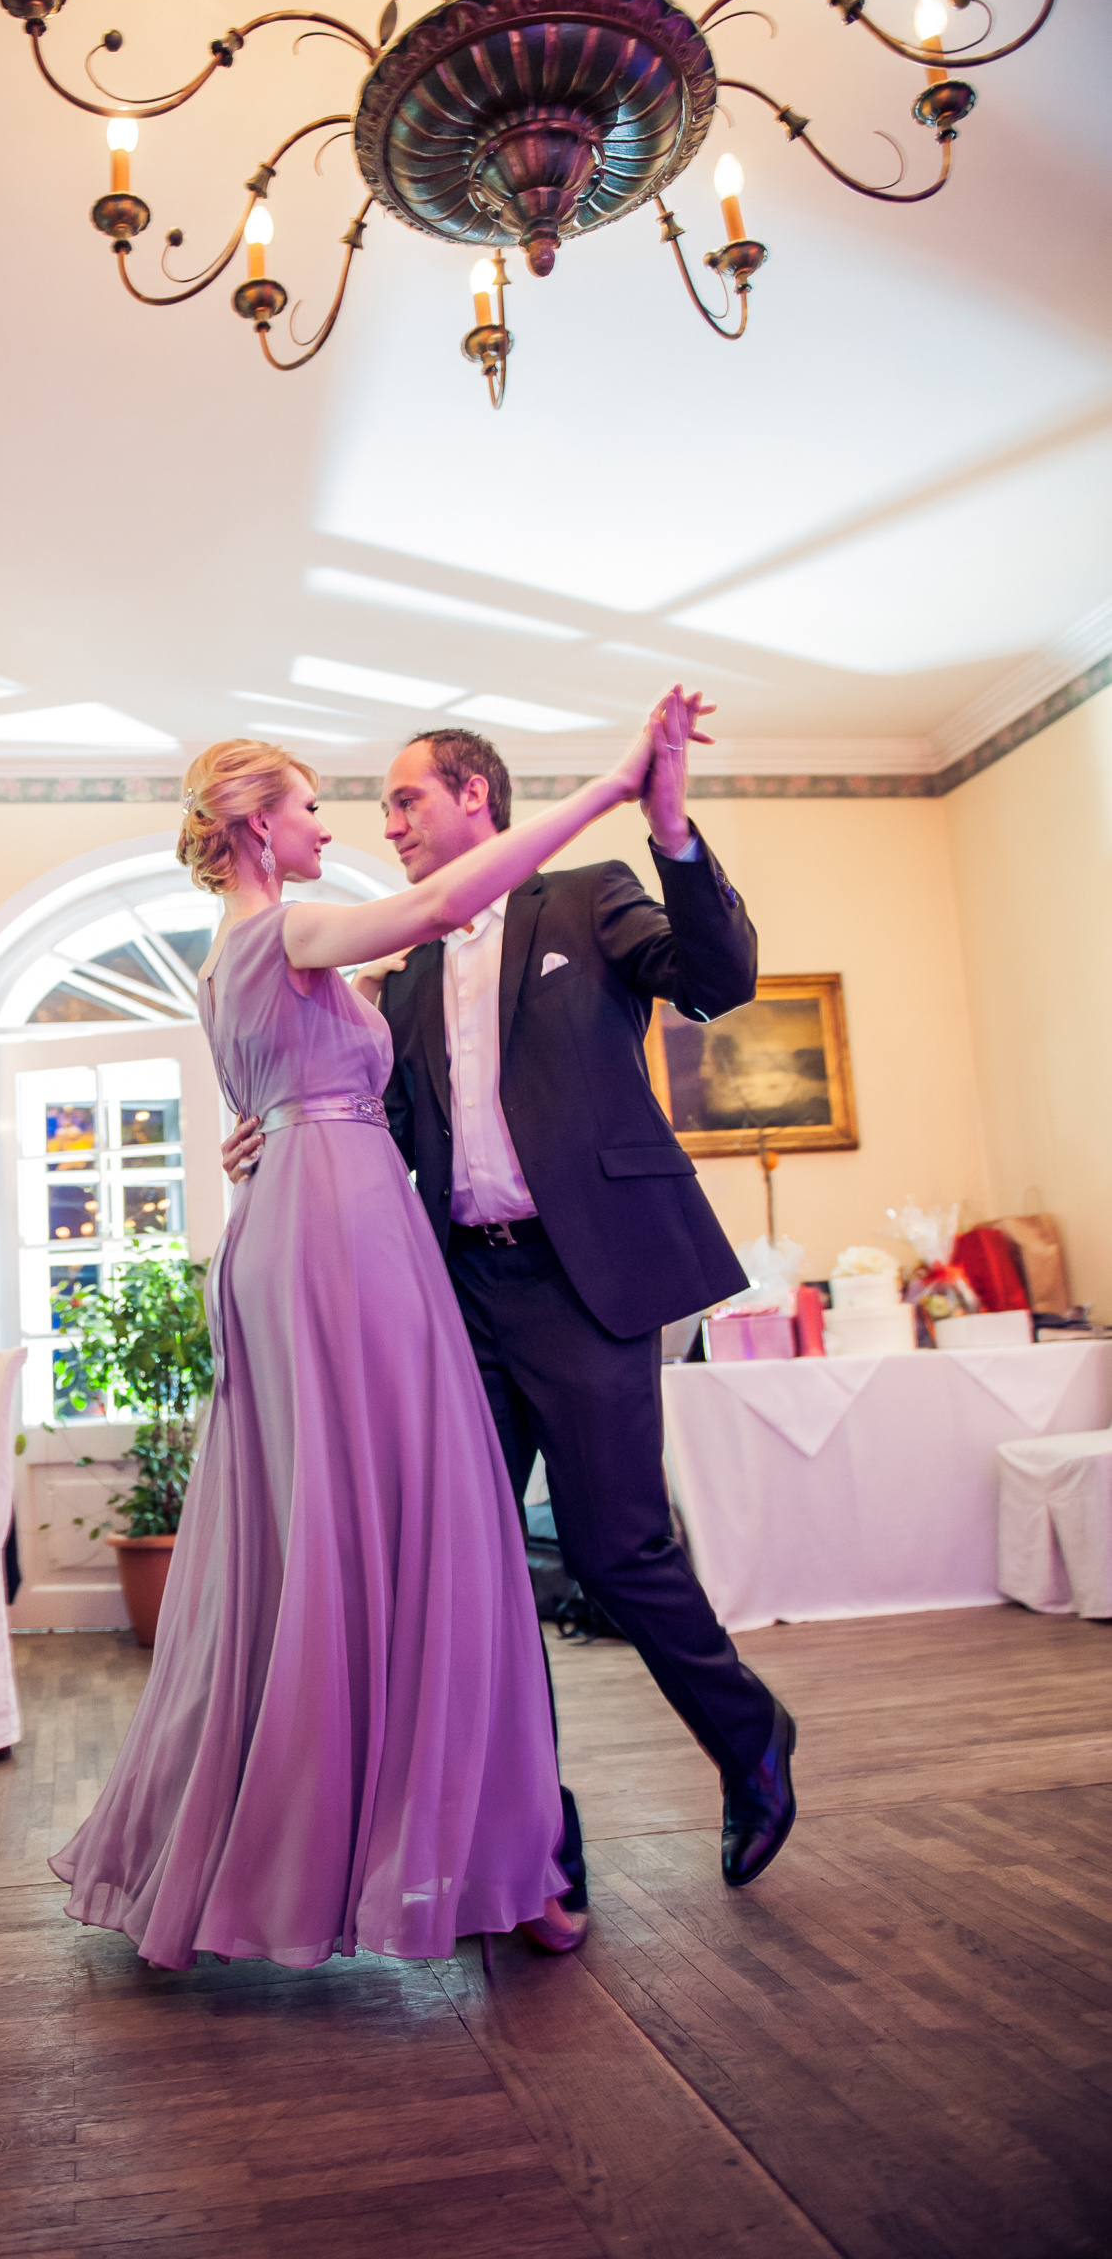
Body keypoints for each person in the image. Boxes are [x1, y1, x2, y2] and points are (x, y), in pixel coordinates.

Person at [51, 712, 673, 1974]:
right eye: (306, 807)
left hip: (303, 1217)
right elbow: (444, 904)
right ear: (253, 826)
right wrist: (610, 789)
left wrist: (266, 1131)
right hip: (338, 1236)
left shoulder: (231, 959)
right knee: (420, 1527)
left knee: (341, 1533)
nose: (328, 827)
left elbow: (282, 1089)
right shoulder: (284, 929)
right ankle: (458, 1867)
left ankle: (428, 1854)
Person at [228, 704, 795, 1897]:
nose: (388, 824)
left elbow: (718, 980)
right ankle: (540, 1839)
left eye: (406, 800)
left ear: (474, 795)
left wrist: (670, 830)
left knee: (614, 1549)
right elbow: (374, 1132)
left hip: (584, 1281)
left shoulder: (584, 899)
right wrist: (275, 1137)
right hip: (454, 1296)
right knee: (470, 1568)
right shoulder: (400, 972)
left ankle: (750, 1743)